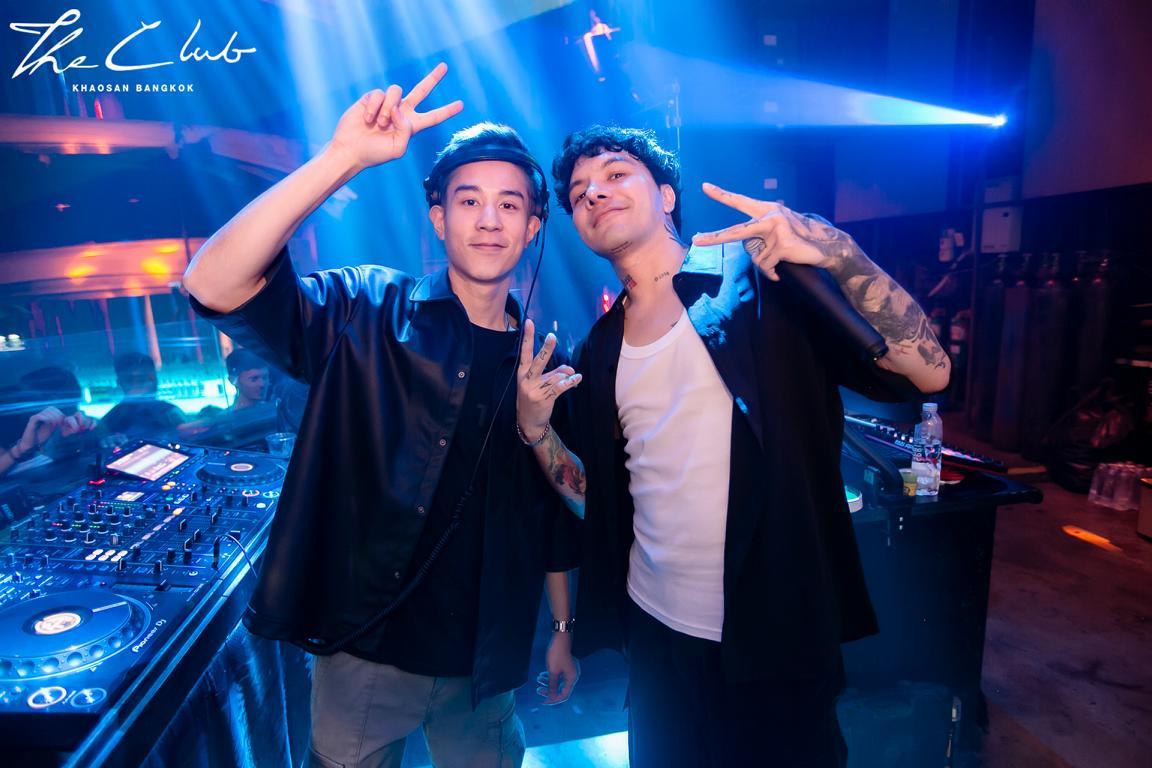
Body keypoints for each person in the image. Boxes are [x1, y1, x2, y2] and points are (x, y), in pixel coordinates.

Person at [515, 125, 950, 768]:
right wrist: (535, 429)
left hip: (778, 630)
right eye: (579, 193)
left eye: (615, 174)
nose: (594, 194)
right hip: (657, 636)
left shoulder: (758, 276)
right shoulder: (600, 347)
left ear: (666, 195)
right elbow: (592, 500)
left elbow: (929, 371)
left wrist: (835, 249)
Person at [183, 64, 579, 768]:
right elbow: (212, 283)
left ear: (532, 228)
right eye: (469, 201)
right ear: (439, 218)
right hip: (368, 651)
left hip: (485, 661)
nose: (490, 220)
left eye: (510, 205)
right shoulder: (366, 310)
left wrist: (560, 627)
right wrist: (341, 159)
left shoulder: (543, 361)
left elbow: (561, 512)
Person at [100, 352, 186, 440]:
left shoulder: (169, 412)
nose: (137, 385)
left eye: (143, 379)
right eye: (130, 380)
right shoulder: (170, 412)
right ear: (120, 383)